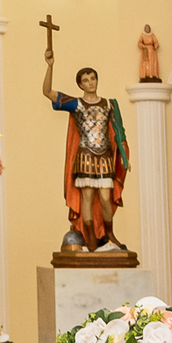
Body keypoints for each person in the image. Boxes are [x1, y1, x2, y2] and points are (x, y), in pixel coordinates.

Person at [41, 48, 130, 251]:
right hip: (86, 156)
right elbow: (47, 92)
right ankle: (90, 236)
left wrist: (124, 154)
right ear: (80, 85)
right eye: (86, 80)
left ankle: (109, 234)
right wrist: (50, 66)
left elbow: (118, 132)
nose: (90, 83)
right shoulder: (76, 104)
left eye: (93, 79)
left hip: (105, 156)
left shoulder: (109, 104)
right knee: (87, 198)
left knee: (106, 198)